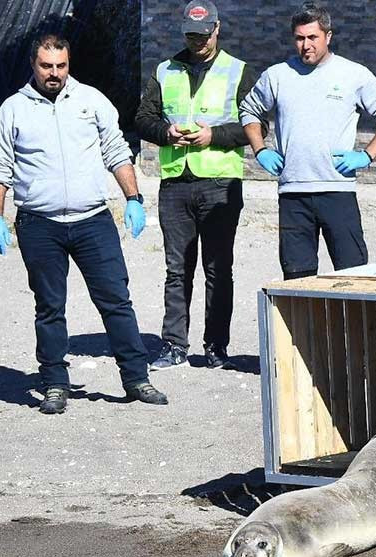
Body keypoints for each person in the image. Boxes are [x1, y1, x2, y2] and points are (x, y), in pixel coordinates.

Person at [0, 34, 168, 413]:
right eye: (47, 66)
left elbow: (116, 149)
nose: (54, 73)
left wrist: (133, 199)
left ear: (69, 64)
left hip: (92, 221)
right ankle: (53, 383)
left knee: (116, 301)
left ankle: (137, 378)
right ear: (33, 66)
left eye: (61, 66)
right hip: (39, 223)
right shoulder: (13, 110)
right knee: (50, 306)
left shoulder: (91, 101)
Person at [239, 2, 376, 279]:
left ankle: (352, 325)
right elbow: (249, 110)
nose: (306, 45)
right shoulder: (277, 76)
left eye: (313, 37)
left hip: (337, 190)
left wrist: (367, 155)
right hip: (293, 194)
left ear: (328, 36)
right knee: (297, 280)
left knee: (354, 276)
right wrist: (260, 150)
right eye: (300, 38)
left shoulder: (353, 74)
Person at [135, 0, 257, 371]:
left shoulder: (239, 72)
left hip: (220, 183)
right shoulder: (164, 70)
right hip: (176, 183)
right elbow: (143, 118)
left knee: (219, 270)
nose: (198, 41)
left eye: (203, 35)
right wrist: (165, 132)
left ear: (217, 29)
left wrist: (214, 135)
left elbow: (256, 128)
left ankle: (216, 347)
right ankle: (174, 345)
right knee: (177, 269)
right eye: (191, 35)